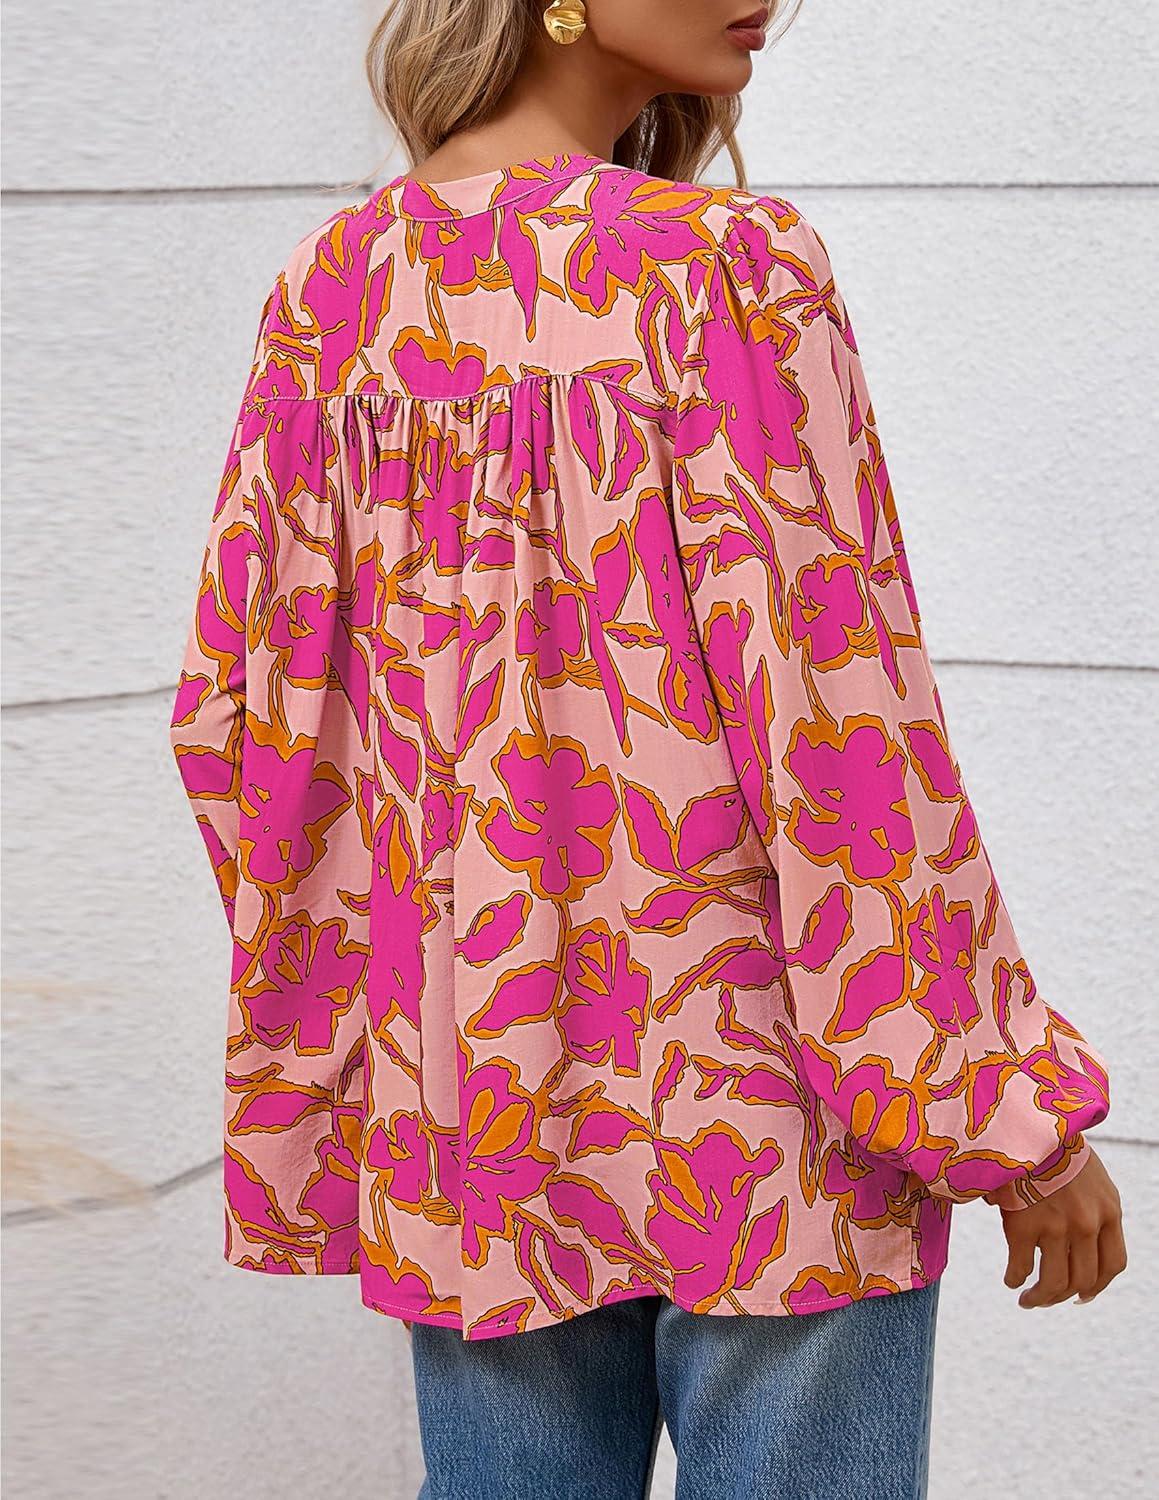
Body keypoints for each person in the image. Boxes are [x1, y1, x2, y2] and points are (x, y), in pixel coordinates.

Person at [167, 2, 1127, 1495]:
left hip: (476, 1120)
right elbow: (842, 733)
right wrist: (1000, 1111)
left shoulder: (332, 293)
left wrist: (413, 1019)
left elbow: (242, 726)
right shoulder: (726, 273)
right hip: (769, 1116)